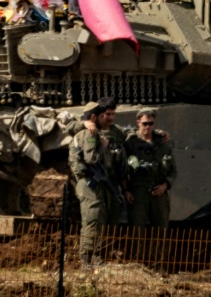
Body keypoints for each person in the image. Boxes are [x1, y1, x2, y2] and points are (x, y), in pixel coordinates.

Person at [69, 98, 127, 268]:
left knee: (104, 216)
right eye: (105, 114)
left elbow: (129, 134)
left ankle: (98, 255)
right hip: (90, 181)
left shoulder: (112, 131)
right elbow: (91, 158)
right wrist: (103, 146)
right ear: (95, 116)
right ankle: (86, 257)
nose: (109, 118)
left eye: (112, 114)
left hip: (104, 181)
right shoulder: (89, 133)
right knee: (93, 217)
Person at [123, 108, 175, 229]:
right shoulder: (131, 142)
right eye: (145, 123)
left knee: (161, 229)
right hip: (138, 191)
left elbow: (173, 169)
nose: (148, 126)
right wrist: (125, 190)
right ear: (138, 122)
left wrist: (165, 185)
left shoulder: (162, 142)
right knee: (136, 229)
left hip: (159, 191)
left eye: (151, 123)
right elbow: (123, 169)